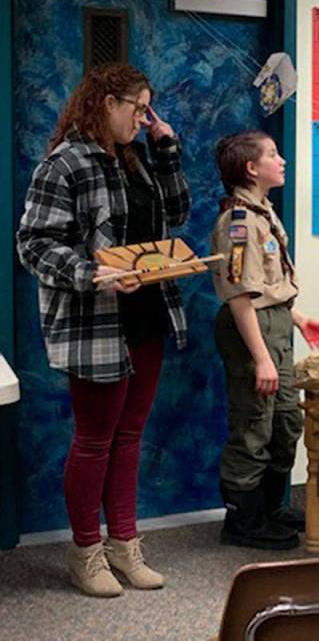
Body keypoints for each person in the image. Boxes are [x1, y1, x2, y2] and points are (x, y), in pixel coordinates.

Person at [17, 63, 190, 597]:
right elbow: (34, 244)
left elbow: (177, 214)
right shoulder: (65, 163)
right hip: (95, 319)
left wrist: (166, 151)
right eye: (138, 108)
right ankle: (85, 552)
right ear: (106, 103)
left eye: (147, 110)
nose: (143, 119)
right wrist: (92, 274)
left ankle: (124, 544)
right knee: (95, 440)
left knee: (130, 437)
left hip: (146, 314)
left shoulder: (136, 160)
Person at [210, 131, 319, 550]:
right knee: (253, 424)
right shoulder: (238, 223)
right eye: (273, 155)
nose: (281, 161)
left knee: (285, 423)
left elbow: (267, 288)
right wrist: (261, 358)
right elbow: (242, 297)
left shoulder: (263, 213)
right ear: (251, 168)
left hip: (275, 324)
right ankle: (243, 522)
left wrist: (296, 319)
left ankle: (269, 507)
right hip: (252, 332)